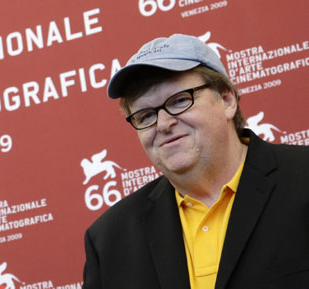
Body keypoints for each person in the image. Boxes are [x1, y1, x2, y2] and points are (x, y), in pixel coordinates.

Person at [82, 34, 309, 289]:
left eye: (180, 101)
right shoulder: (109, 238)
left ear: (226, 100)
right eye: (145, 115)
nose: (164, 124)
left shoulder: (302, 179)